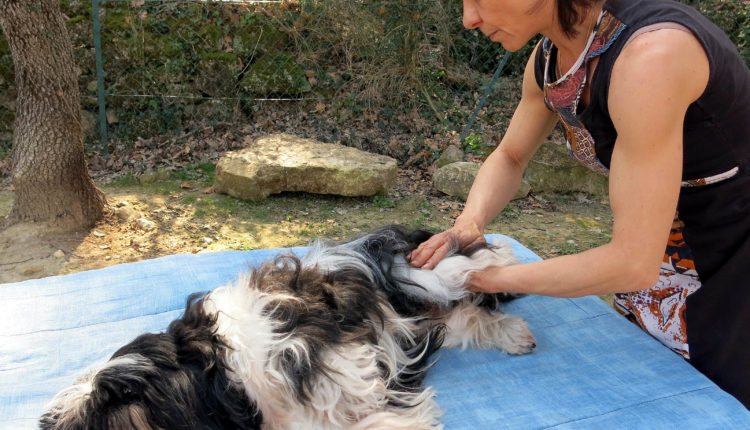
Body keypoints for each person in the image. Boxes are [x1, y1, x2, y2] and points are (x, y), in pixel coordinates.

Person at [408, 0, 750, 407]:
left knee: (717, 398)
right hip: (663, 242)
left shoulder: (651, 56)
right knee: (654, 380)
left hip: (731, 253)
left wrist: (486, 279)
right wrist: (468, 223)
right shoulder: (552, 56)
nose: (469, 19)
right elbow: (510, 156)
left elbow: (630, 263)